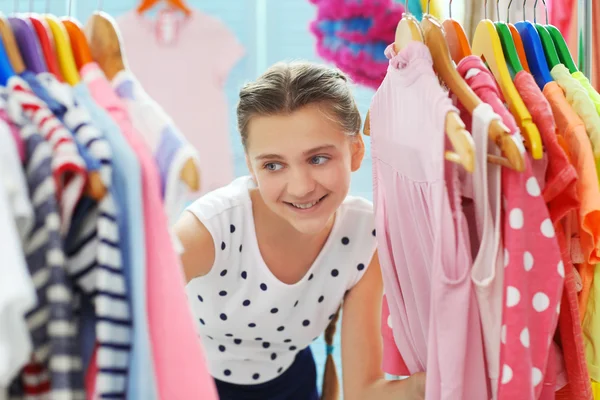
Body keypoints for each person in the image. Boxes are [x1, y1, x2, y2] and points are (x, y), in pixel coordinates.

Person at [174, 61, 426, 400]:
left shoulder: (367, 235)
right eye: (273, 165)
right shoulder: (211, 229)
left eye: (318, 158)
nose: (301, 187)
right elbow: (120, 312)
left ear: (355, 151)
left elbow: (364, 391)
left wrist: (455, 374)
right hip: (190, 385)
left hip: (293, 385)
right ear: (251, 166)